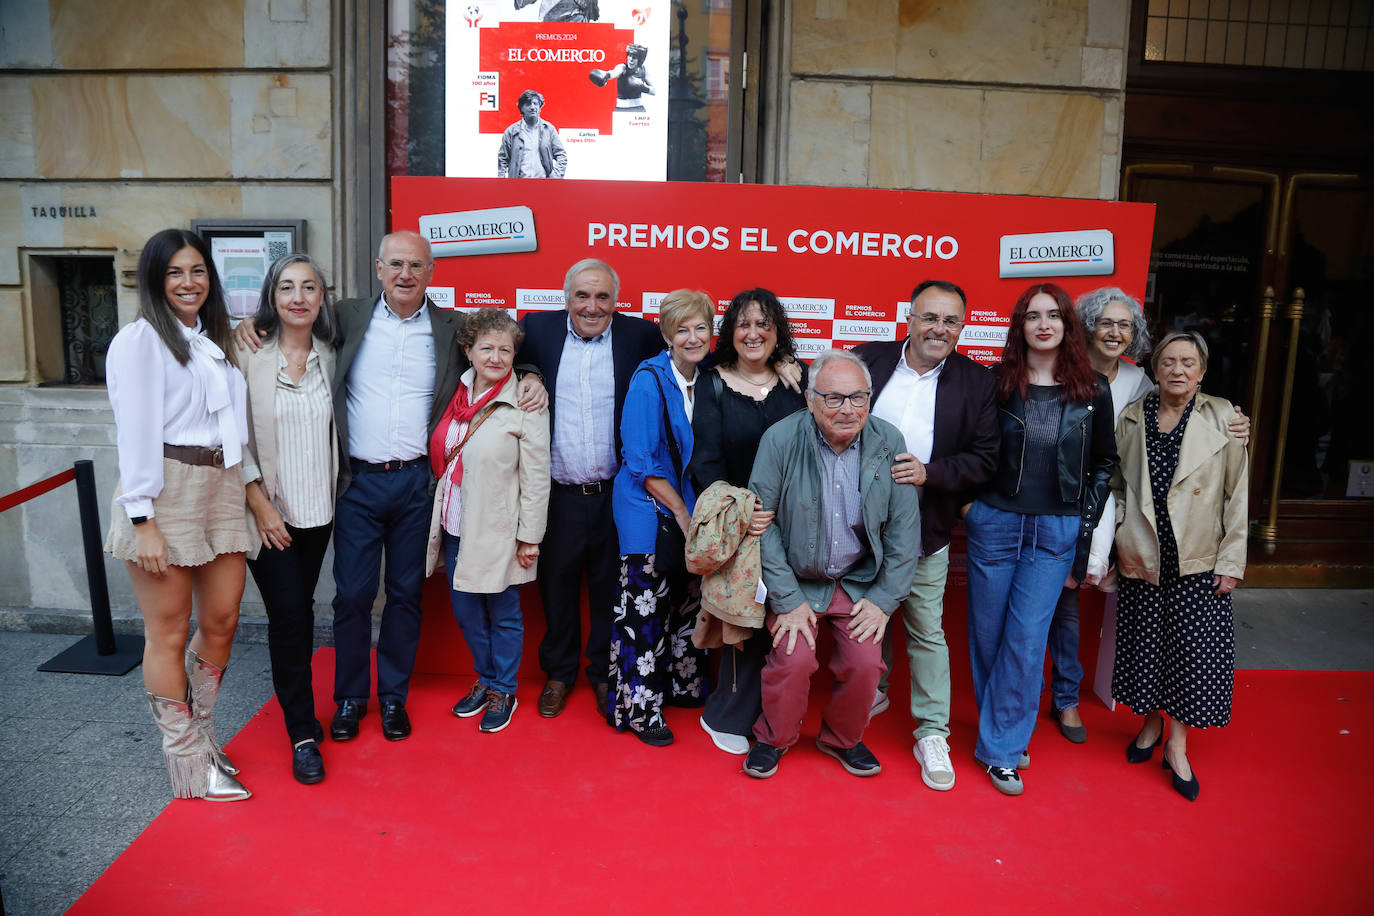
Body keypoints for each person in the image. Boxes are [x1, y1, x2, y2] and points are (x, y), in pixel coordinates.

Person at [234, 231, 546, 744]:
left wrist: (531, 374)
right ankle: (352, 698)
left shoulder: (451, 328)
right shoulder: (347, 316)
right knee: (353, 596)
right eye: (395, 263)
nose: (405, 274)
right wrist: (253, 323)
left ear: (431, 273)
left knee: (404, 595)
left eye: (416, 265)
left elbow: (499, 353)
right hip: (357, 482)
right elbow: (292, 318)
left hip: (417, 485)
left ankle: (394, 697)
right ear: (378, 268)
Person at [1045, 288, 1249, 744]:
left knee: (1183, 646)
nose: (1115, 333)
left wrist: (1237, 423)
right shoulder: (1070, 378)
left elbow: (1233, 490)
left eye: (1125, 326)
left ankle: (1164, 736)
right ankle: (1080, 704)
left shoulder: (1156, 392)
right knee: (1099, 622)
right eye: (1106, 323)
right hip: (1076, 513)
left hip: (1165, 537)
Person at [105, 228, 254, 801]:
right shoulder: (141, 342)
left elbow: (230, 427)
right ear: (155, 281)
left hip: (221, 486)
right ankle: (187, 762)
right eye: (174, 273)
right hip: (164, 490)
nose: (188, 283)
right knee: (167, 631)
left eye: (196, 271)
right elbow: (135, 431)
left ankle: (204, 734)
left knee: (222, 620)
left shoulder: (212, 342)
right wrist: (142, 519)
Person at [963, 282, 1116, 796]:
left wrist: (1083, 527)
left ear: (1067, 325)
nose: (1043, 324)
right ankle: (1003, 731)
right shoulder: (995, 383)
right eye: (1033, 316)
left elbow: (1102, 464)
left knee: (1027, 642)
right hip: (996, 523)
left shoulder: (1093, 389)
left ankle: (1002, 748)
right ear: (1020, 325)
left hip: (1055, 529)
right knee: (988, 638)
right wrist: (970, 506)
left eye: (1053, 315)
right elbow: (970, 447)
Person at [743, 349, 920, 779]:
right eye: (834, 399)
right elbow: (760, 526)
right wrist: (785, 599)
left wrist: (883, 599)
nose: (848, 410)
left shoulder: (888, 441)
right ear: (810, 399)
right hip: (798, 580)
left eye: (858, 398)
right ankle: (773, 737)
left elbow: (904, 530)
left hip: (858, 582)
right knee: (794, 658)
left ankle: (842, 738)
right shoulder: (780, 440)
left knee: (865, 665)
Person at [854, 279, 999, 791]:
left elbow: (985, 459)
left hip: (926, 527)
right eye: (929, 317)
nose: (938, 328)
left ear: (962, 327)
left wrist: (929, 473)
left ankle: (932, 732)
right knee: (863, 617)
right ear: (909, 318)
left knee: (924, 629)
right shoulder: (866, 359)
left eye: (950, 320)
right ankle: (870, 691)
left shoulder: (978, 383)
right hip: (855, 529)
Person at [515, 259, 664, 718]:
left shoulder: (641, 336)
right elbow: (503, 355)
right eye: (582, 295)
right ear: (567, 297)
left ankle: (602, 673)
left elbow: (692, 362)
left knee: (608, 589)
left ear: (616, 300)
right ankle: (559, 674)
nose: (592, 306)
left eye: (602, 297)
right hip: (556, 494)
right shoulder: (536, 330)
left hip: (617, 495)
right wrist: (530, 372)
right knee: (555, 587)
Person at [1113, 331, 1247, 802]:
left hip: (1199, 555)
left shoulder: (1224, 417)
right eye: (1168, 361)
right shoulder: (1132, 417)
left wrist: (1232, 560)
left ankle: (1178, 745)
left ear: (1203, 371)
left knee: (1192, 654)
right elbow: (1117, 486)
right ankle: (1150, 725)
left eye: (1188, 362)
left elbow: (1238, 494)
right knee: (1146, 646)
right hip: (1144, 552)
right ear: (1155, 368)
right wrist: (1117, 538)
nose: (1178, 370)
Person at [689, 288, 808, 756]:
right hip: (744, 525)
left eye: (764, 324)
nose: (753, 333)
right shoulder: (712, 383)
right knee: (742, 621)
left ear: (777, 331)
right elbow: (707, 463)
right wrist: (743, 516)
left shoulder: (799, 382)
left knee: (785, 619)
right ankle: (727, 714)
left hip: (795, 522)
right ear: (730, 332)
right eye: (743, 324)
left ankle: (775, 712)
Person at [240, 253, 341, 785]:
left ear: (322, 297)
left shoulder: (331, 352)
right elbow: (231, 434)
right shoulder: (247, 356)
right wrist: (259, 502)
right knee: (288, 617)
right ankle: (302, 733)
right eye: (286, 287)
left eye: (308, 287)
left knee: (302, 608)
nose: (298, 297)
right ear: (271, 297)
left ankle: (298, 705)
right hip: (268, 514)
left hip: (317, 510)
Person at [425, 309, 551, 734]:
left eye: (505, 349)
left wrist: (529, 537)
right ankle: (486, 677)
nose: (495, 357)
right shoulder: (454, 395)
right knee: (466, 613)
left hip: (499, 529)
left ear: (516, 355)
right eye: (487, 348)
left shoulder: (526, 401)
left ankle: (503, 688)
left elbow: (537, 478)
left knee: (505, 613)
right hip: (455, 524)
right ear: (469, 350)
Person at [605, 290, 714, 745]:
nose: (692, 337)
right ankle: (639, 708)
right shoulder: (649, 380)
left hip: (685, 507)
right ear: (667, 336)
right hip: (649, 509)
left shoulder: (704, 377)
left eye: (700, 328)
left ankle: (682, 687)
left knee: (687, 600)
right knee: (644, 610)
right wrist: (684, 514)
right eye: (681, 329)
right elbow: (642, 462)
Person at [497, 89, 567, 179]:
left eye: (535, 103)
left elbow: (561, 155)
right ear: (521, 108)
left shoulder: (549, 129)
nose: (532, 107)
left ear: (540, 106)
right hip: (518, 186)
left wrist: (555, 176)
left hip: (544, 185)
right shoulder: (511, 131)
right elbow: (502, 159)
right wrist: (501, 182)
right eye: (528, 104)